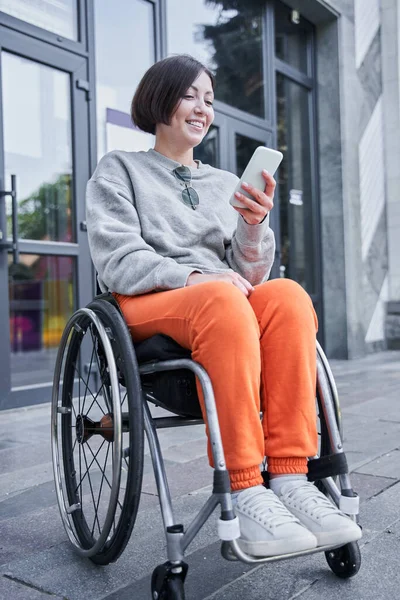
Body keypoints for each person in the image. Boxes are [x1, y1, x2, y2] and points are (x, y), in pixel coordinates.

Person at [86, 54, 361, 558]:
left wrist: (253, 226)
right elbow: (119, 259)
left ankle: (289, 478)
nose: (201, 107)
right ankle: (244, 485)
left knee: (287, 296)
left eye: (209, 99)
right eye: (190, 95)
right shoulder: (119, 169)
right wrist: (196, 275)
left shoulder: (222, 183)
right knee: (220, 296)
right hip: (149, 304)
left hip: (221, 310)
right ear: (159, 99)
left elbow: (250, 276)